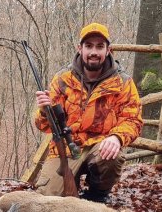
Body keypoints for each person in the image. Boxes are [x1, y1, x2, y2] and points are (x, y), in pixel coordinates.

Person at [33, 23, 143, 202]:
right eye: (89, 46)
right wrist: (44, 111)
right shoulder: (62, 79)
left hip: (99, 147)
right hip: (67, 147)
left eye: (100, 46)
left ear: (108, 50)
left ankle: (97, 194)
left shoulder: (122, 82)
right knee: (47, 199)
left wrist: (116, 137)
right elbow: (43, 126)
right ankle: (71, 183)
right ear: (80, 48)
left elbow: (133, 120)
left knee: (111, 157)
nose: (94, 52)